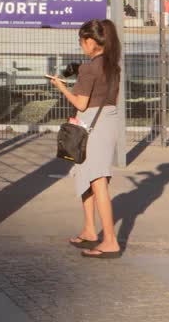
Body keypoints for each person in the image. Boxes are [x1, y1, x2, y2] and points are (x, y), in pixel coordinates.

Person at [45, 19, 124, 259]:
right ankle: (90, 229)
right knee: (86, 176)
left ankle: (110, 240)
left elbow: (81, 102)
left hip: (91, 125)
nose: (81, 47)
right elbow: (109, 98)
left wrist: (61, 86)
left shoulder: (89, 69)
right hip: (107, 122)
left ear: (90, 42)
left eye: (81, 42)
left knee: (98, 181)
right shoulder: (112, 67)